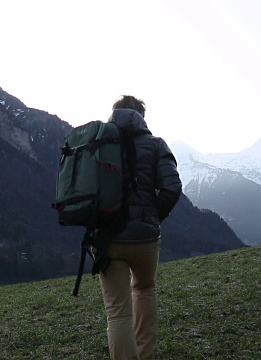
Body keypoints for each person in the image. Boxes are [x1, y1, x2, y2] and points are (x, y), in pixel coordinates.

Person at [98, 95, 182, 360]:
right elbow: (172, 187)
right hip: (145, 239)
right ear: (141, 117)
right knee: (144, 290)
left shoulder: (98, 144)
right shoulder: (156, 145)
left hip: (108, 238)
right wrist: (152, 216)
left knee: (118, 312)